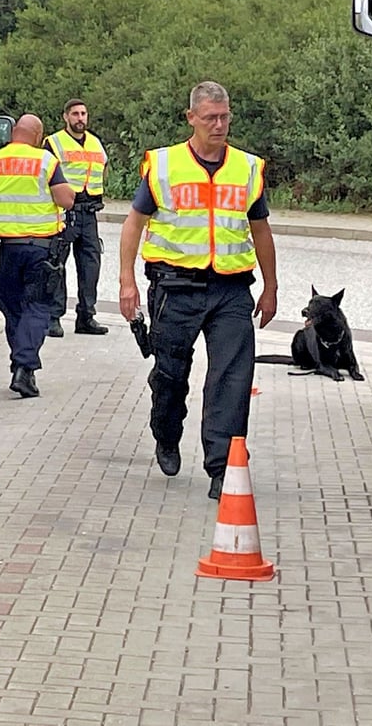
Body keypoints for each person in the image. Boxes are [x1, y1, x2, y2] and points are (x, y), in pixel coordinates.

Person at [118, 81, 278, 500]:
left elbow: (260, 230)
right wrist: (126, 280)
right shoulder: (165, 165)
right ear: (191, 118)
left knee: (232, 378)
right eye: (210, 117)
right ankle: (166, 434)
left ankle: (222, 466)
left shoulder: (246, 168)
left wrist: (271, 287)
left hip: (231, 290)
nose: (219, 125)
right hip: (175, 287)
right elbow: (133, 222)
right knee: (170, 376)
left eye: (225, 116)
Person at [0, 114, 75, 397]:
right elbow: (66, 199)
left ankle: (20, 362)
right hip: (40, 247)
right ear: (38, 136)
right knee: (38, 306)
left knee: (13, 307)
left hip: (7, 249)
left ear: (13, 133)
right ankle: (24, 367)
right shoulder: (46, 162)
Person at [44, 99, 109, 337]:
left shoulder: (95, 142)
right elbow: (47, 175)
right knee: (56, 264)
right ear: (66, 117)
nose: (80, 118)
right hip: (64, 211)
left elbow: (103, 168)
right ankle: (53, 317)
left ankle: (86, 316)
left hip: (89, 211)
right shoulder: (53, 142)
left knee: (91, 265)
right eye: (75, 114)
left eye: (83, 113)